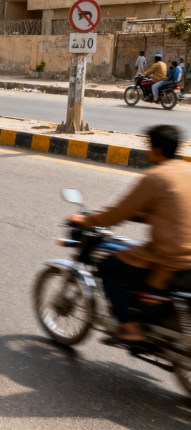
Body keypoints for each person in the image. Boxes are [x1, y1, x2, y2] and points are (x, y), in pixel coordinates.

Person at [68, 125, 191, 344]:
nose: (146, 152)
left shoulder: (155, 177)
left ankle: (130, 327)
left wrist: (86, 219)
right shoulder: (186, 171)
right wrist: (137, 215)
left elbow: (118, 212)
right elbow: (168, 211)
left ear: (157, 149)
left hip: (168, 258)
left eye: (148, 147)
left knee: (107, 266)